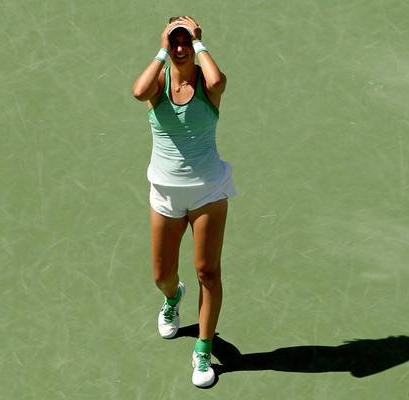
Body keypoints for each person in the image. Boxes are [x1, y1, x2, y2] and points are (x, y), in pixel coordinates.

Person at [132, 15, 235, 388]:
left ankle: (204, 349)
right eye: (174, 41)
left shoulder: (209, 87)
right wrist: (162, 47)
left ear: (195, 44)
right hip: (165, 191)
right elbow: (138, 91)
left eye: (185, 41)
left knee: (208, 272)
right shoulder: (158, 84)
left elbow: (218, 80)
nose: (179, 48)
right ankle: (173, 299)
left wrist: (199, 41)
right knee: (162, 275)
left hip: (208, 190)